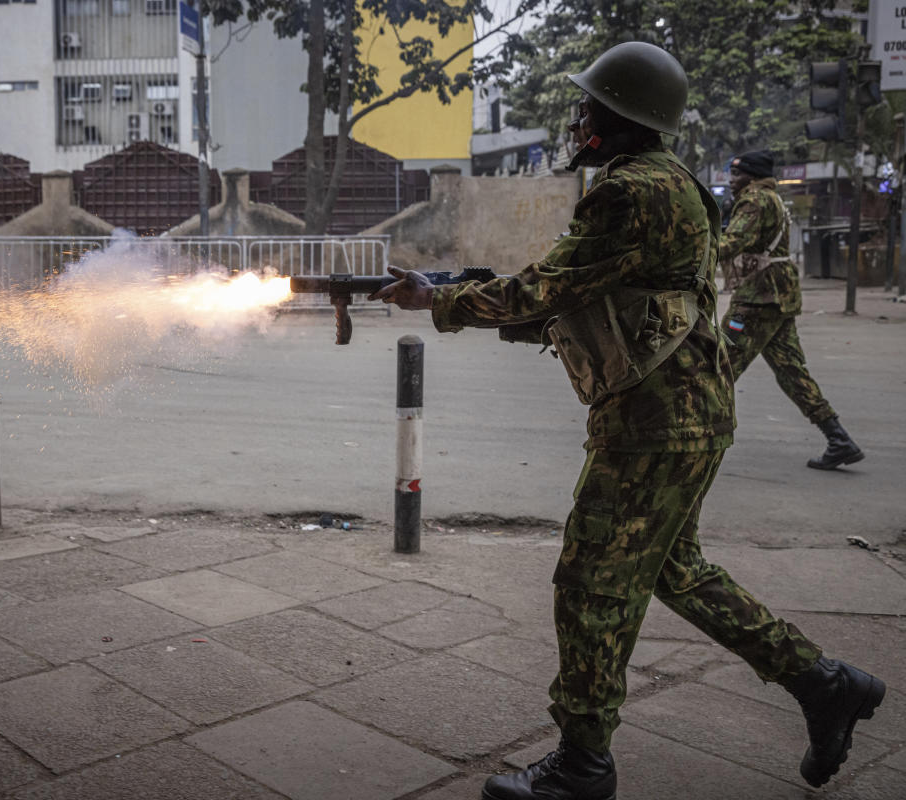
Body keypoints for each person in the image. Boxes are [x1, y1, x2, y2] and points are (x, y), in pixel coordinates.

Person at [370, 42, 885, 800]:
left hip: (655, 422)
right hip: (684, 412)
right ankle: (824, 684)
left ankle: (582, 766)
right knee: (675, 570)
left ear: (619, 116)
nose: (579, 118)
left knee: (590, 584)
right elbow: (597, 295)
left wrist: (438, 299)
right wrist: (473, 293)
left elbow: (547, 286)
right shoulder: (667, 181)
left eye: (590, 107)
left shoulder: (629, 192)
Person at [720, 150, 864, 470]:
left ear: (753, 176)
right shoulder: (773, 198)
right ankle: (838, 438)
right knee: (792, 372)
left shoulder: (754, 200)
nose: (731, 181)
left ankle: (704, 440)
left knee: (717, 367)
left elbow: (732, 243)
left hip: (757, 300)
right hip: (779, 298)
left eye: (736, 175)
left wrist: (686, 253)